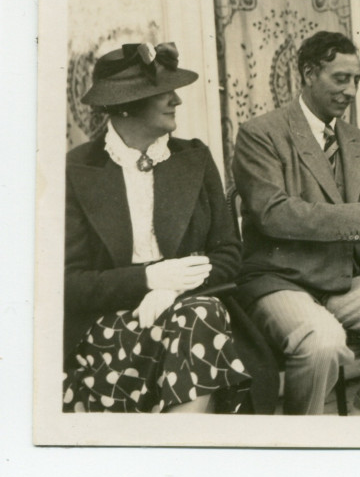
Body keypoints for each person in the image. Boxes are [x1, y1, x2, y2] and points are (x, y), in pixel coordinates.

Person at [233, 31, 360, 416]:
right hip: (280, 280)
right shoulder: (261, 134)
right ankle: (304, 444)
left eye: (356, 80)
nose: (351, 90)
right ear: (309, 74)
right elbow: (273, 213)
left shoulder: (359, 142)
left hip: (343, 280)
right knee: (322, 342)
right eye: (340, 78)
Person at [63, 42, 252, 413]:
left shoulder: (194, 157)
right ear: (125, 104)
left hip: (195, 311)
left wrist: (175, 288)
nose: (176, 101)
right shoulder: (77, 169)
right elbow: (70, 283)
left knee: (198, 315)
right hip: (109, 324)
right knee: (198, 325)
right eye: (163, 92)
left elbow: (230, 254)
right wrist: (150, 279)